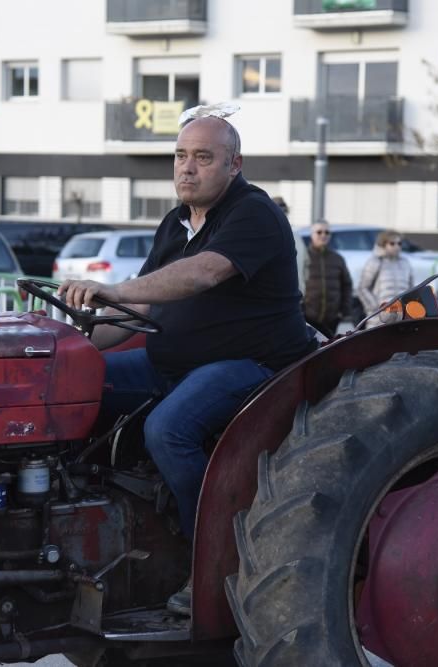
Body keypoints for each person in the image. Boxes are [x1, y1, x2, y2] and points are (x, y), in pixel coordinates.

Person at [57, 113, 314, 615]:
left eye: (203, 157)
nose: (187, 169)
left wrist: (113, 288)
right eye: (180, 156)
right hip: (171, 361)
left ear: (234, 165)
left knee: (168, 428)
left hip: (255, 365)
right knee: (73, 389)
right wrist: (67, 343)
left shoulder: (253, 213)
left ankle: (216, 565)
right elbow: (140, 311)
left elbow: (201, 275)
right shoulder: (175, 223)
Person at [302, 220, 352, 337]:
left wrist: (345, 312)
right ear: (312, 234)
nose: (323, 235)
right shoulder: (303, 257)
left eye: (327, 232)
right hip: (308, 318)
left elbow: (347, 285)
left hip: (332, 319)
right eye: (319, 232)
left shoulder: (337, 258)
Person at [357, 229, 414, 327]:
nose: (397, 246)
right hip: (378, 319)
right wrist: (375, 308)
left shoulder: (405, 263)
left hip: (401, 318)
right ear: (383, 244)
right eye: (392, 243)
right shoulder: (375, 262)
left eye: (399, 243)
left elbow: (411, 289)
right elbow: (362, 288)